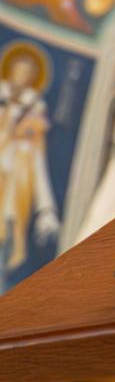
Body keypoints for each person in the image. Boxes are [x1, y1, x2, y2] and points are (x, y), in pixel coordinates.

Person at [0, 49, 59, 276]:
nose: (21, 76)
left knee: (10, 225)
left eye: (27, 73)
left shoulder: (34, 107)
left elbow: (38, 160)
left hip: (16, 178)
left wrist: (46, 209)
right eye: (18, 71)